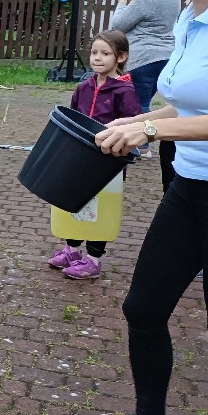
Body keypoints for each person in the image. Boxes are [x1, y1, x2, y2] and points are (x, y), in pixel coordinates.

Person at [79, 0, 208, 415]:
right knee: (143, 307)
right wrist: (135, 123)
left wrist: (151, 126)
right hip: (189, 185)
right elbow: (188, 101)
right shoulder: (189, 17)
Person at [47, 30, 141, 280]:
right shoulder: (84, 86)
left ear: (121, 57)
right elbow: (72, 118)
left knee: (102, 208)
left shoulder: (124, 91)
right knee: (74, 202)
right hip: (79, 159)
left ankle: (94, 259)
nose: (97, 58)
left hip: (108, 164)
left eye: (105, 53)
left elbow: (132, 125)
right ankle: (72, 250)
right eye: (94, 52)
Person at [112, 0, 180, 158]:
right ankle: (143, 143)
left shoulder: (145, 0)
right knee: (145, 102)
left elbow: (118, 25)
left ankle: (140, 146)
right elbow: (152, 17)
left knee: (137, 104)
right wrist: (135, 1)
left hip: (143, 58)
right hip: (165, 57)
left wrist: (123, 3)